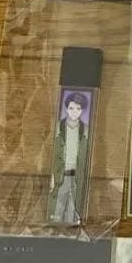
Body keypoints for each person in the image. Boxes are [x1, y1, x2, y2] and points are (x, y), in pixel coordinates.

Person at [47, 91, 90, 224]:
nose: (74, 112)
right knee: (57, 211)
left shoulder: (86, 130)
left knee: (73, 212)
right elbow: (51, 154)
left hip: (78, 177)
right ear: (66, 108)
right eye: (71, 108)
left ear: (82, 110)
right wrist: (52, 176)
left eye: (78, 108)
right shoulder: (58, 127)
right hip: (61, 176)